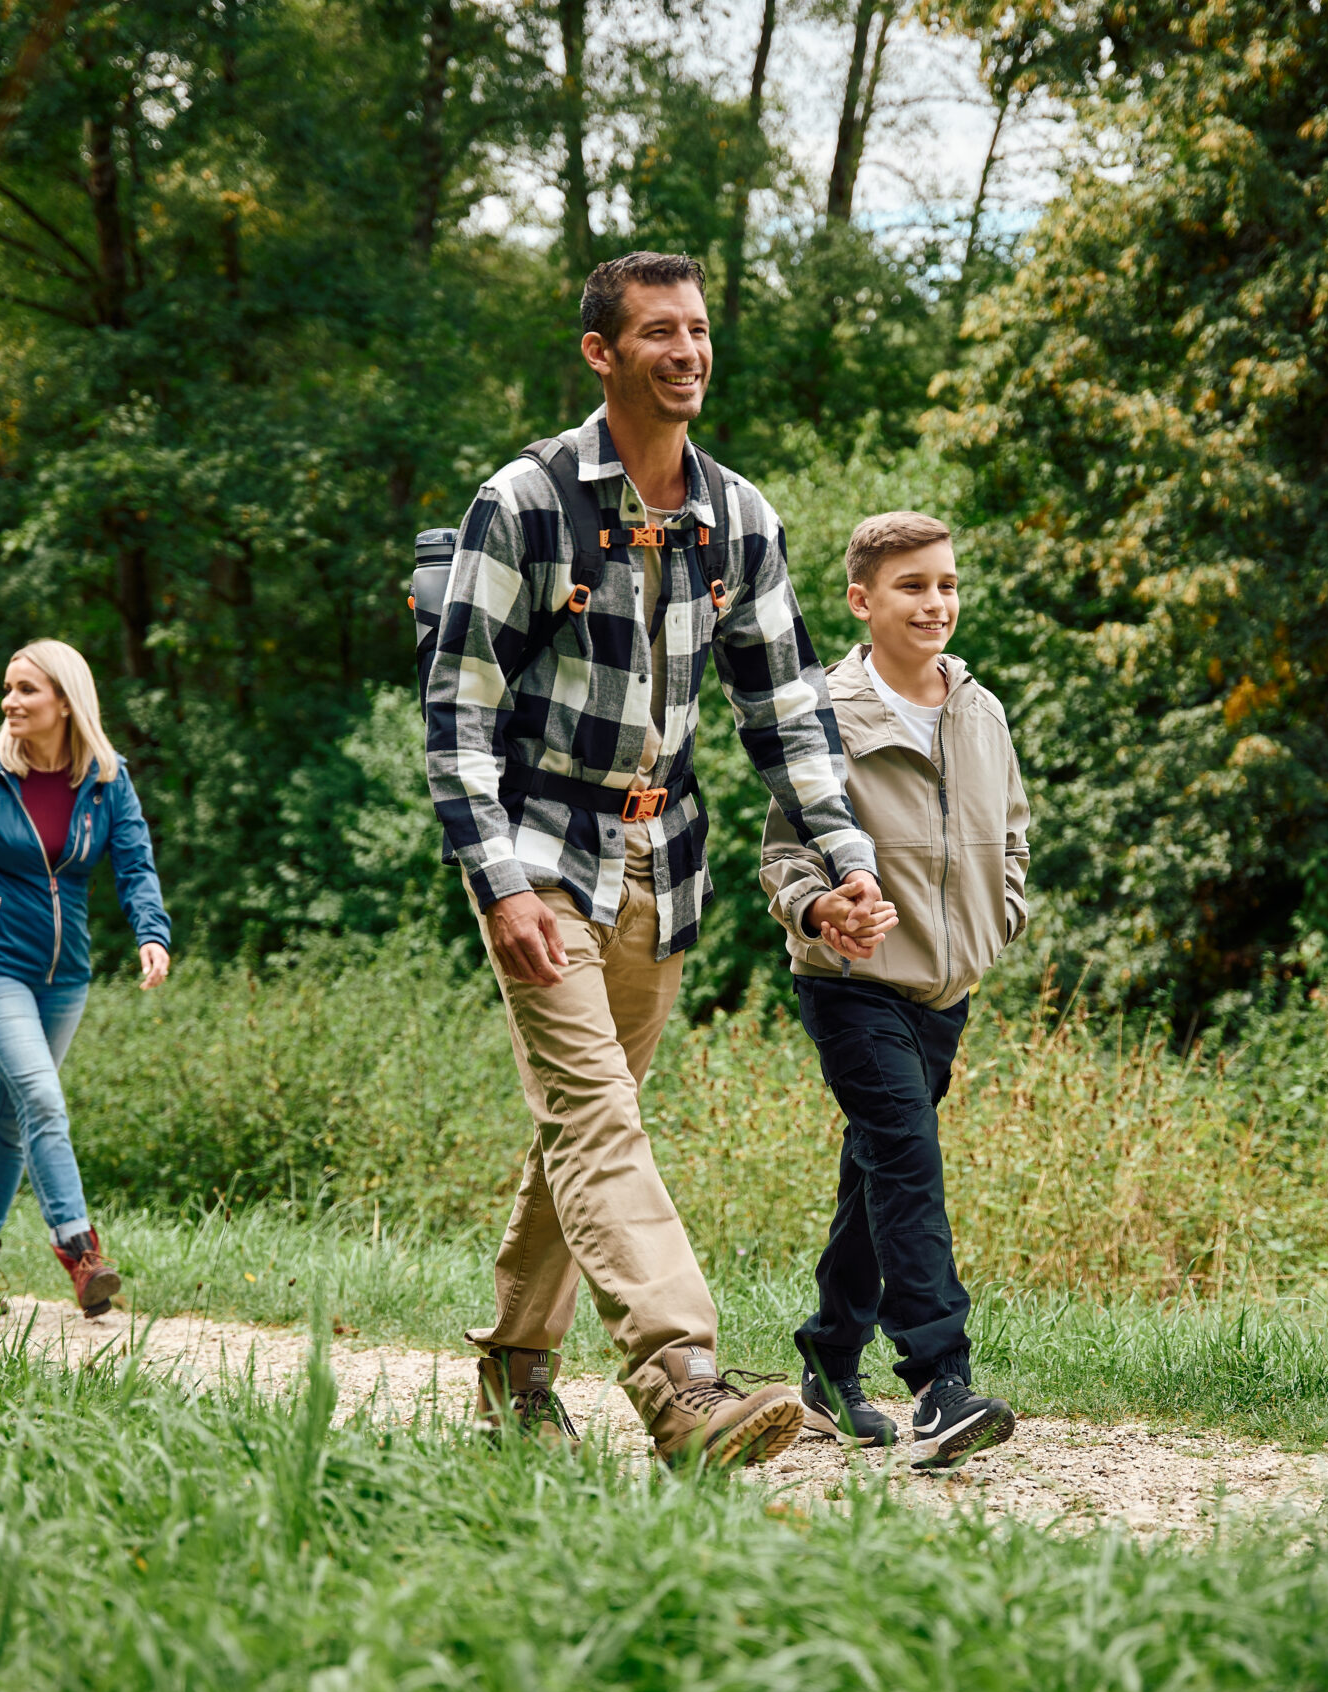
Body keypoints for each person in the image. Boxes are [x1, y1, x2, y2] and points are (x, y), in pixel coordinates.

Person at [425, 250, 898, 1468]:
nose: (687, 352)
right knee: (595, 1115)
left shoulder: (739, 517)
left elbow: (785, 713)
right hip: (540, 847)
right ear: (601, 352)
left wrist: (841, 861)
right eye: (658, 334)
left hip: (662, 859)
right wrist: (500, 880)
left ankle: (516, 1369)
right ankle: (682, 1380)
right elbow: (460, 713)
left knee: (589, 1120)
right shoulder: (523, 502)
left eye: (697, 331)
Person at [760, 511, 1031, 1469]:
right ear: (862, 599)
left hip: (944, 989)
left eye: (947, 583)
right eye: (913, 585)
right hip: (853, 984)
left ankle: (830, 1361)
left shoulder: (980, 710)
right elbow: (784, 858)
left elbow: (1013, 836)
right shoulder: (824, 712)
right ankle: (940, 1384)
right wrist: (823, 906)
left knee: (877, 1170)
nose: (937, 602)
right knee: (908, 1157)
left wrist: (1003, 916)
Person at [0, 639, 172, 1320]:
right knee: (42, 1096)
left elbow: (134, 865)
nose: (10, 701)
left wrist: (152, 932)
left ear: (66, 702)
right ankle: (81, 1250)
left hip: (64, 976)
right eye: (8, 688)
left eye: (26, 690)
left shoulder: (107, 779)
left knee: (15, 1116)